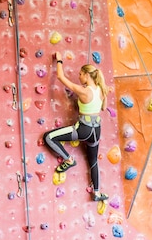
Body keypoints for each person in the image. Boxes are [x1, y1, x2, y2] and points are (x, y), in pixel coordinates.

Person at [43, 52, 109, 202]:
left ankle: (69, 159)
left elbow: (60, 77)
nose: (79, 77)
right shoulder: (101, 90)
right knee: (93, 162)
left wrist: (59, 60)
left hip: (83, 129)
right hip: (96, 131)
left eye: (80, 74)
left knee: (49, 137)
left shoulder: (84, 90)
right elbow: (103, 108)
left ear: (87, 75)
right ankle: (97, 193)